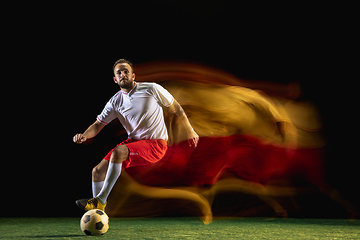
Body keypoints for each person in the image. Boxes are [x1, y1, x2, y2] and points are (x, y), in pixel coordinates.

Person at [73, 59, 199, 211]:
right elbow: (98, 124)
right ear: (115, 79)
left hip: (156, 144)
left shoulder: (152, 88)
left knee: (118, 152)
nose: (123, 74)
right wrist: (84, 136)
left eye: (126, 71)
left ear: (133, 76)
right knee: (97, 171)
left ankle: (100, 200)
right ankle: (97, 213)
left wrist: (190, 130)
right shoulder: (115, 101)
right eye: (119, 72)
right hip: (133, 142)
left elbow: (176, 108)